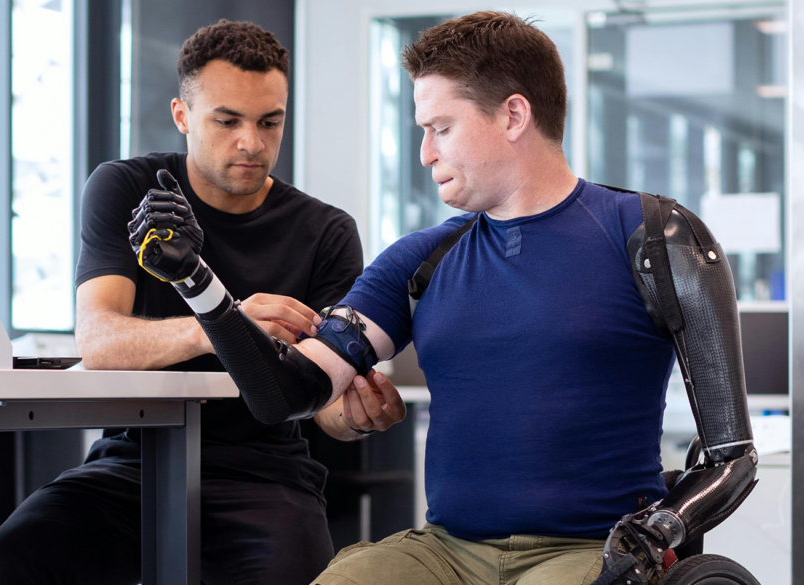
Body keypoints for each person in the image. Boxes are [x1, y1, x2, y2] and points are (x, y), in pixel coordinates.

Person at [130, 11, 758, 585]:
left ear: (513, 116)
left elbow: (732, 458)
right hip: (445, 552)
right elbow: (285, 396)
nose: (425, 152)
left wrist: (658, 534)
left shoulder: (653, 239)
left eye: (441, 128)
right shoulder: (420, 260)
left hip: (586, 551)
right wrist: (198, 284)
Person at [0, 19, 407, 585]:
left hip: (265, 474)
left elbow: (324, 406)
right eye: (226, 121)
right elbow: (100, 342)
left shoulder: (325, 230)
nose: (251, 142)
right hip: (134, 461)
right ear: (182, 115)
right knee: (15, 557)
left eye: (269, 122)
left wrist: (355, 419)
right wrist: (223, 324)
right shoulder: (130, 191)